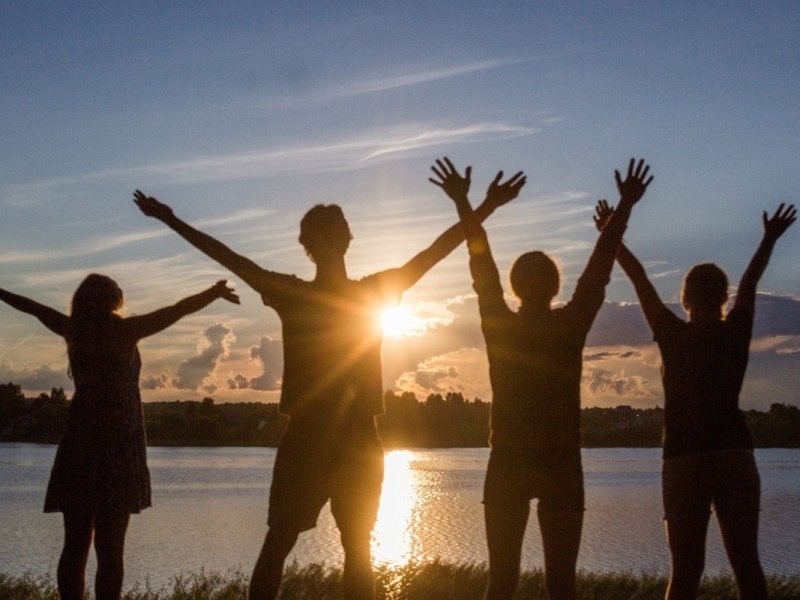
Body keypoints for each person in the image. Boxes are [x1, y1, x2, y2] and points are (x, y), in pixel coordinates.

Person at [132, 169, 525, 600]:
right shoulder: (368, 293)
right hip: (351, 440)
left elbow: (229, 257)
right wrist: (483, 206)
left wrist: (170, 219)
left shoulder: (296, 293)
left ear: (306, 247)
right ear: (348, 241)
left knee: (284, 544)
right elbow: (433, 254)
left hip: (313, 440)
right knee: (352, 550)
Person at [431, 157, 652, 600]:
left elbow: (482, 267)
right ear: (554, 286)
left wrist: (463, 201)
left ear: (515, 288)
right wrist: (623, 209)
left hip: (509, 459)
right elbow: (598, 271)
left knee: (501, 583)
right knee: (561, 586)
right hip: (561, 460)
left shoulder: (501, 324)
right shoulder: (568, 326)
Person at [593, 200, 796, 600]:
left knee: (685, 571)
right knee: (747, 565)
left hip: (683, 460)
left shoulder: (672, 333)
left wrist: (612, 231)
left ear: (684, 297)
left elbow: (639, 280)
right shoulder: (735, 330)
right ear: (723, 297)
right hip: (734, 454)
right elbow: (751, 283)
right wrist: (768, 239)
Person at [0, 275, 238, 600]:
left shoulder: (73, 329)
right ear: (115, 300)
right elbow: (177, 310)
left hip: (79, 443)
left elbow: (30, 306)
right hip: (118, 445)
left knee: (75, 545)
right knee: (111, 548)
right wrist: (213, 292)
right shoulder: (125, 331)